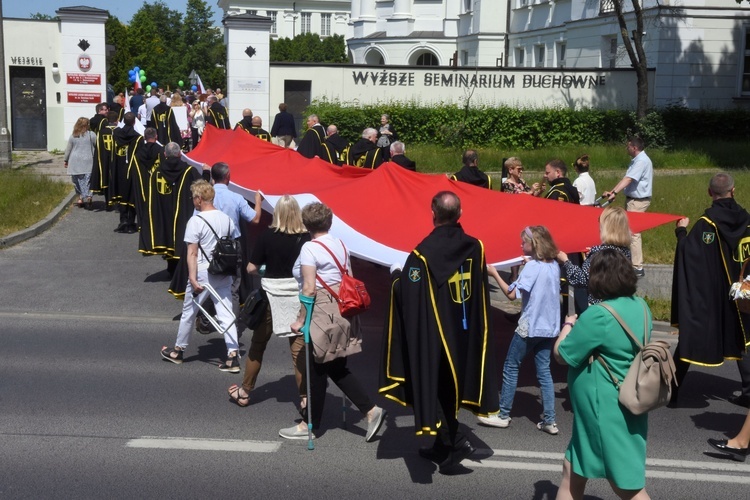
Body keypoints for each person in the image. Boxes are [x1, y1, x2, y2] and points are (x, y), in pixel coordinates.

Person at [380, 191, 499, 473]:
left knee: (434, 387)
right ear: (460, 214)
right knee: (451, 389)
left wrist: (397, 276)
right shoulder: (476, 247)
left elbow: (409, 296)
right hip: (464, 331)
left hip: (434, 335)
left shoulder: (421, 255)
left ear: (433, 214)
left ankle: (450, 446)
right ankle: (444, 444)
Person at [280, 202, 386, 442]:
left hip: (322, 313)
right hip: (343, 310)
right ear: (329, 222)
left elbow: (309, 287)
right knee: (336, 367)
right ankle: (370, 411)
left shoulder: (309, 248)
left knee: (317, 369)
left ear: (307, 225)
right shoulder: (341, 244)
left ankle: (310, 425)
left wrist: (299, 320)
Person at [554, 249, 651, 499]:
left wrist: (567, 325)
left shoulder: (600, 315)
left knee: (626, 486)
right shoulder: (641, 306)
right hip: (624, 400)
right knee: (571, 468)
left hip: (604, 409)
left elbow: (562, 354)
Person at [670, 172, 750, 407]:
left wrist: (681, 231)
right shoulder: (747, 220)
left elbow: (691, 256)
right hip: (741, 293)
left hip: (713, 295)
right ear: (733, 191)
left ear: (709, 192)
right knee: (743, 339)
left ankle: (672, 391)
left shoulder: (706, 225)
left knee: (691, 336)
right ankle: (747, 392)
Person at [227, 195, 311, 408]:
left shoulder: (267, 236)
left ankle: (245, 391)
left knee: (258, 345)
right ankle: (304, 398)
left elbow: (251, 268)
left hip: (270, 297)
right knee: (298, 349)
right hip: (296, 296)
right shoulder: (305, 238)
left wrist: (264, 268)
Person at [478, 226, 561, 435]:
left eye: (523, 242)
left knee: (511, 366)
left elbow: (511, 295)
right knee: (544, 372)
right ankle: (549, 420)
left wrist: (494, 273)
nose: (520, 245)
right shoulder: (553, 266)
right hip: (548, 327)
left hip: (530, 326)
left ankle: (504, 414)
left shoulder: (532, 268)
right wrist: (528, 264)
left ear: (534, 244)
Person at [160, 180, 241, 373]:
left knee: (190, 310)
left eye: (193, 197)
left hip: (204, 271)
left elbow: (193, 253)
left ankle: (178, 350)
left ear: (198, 198)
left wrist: (193, 277)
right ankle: (232, 355)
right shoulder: (226, 219)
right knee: (226, 312)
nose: (193, 201)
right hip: (223, 271)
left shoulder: (196, 221)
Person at [140, 142, 202, 280]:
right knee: (181, 236)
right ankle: (182, 269)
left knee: (168, 234)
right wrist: (208, 172)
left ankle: (172, 268)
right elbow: (202, 186)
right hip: (182, 210)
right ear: (180, 154)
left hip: (163, 210)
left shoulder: (156, 172)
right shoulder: (189, 171)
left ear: (164, 154)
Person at [557, 206, 632, 310]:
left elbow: (582, 280)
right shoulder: (626, 251)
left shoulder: (599, 252)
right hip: (620, 306)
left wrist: (566, 261)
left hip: (599, 306)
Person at [603, 137, 653, 278]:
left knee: (633, 232)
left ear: (634, 147)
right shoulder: (637, 160)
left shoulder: (641, 161)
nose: (627, 149)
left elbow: (629, 179)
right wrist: (613, 192)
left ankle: (637, 266)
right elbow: (627, 179)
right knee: (628, 230)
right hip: (633, 199)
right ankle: (630, 261)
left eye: (628, 147)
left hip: (638, 201)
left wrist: (614, 192)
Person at [111, 112, 142, 233]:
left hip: (118, 169)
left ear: (123, 121)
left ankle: (122, 220)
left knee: (121, 195)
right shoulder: (138, 138)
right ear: (134, 122)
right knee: (131, 196)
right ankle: (130, 222)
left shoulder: (116, 133)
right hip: (131, 170)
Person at [63, 117, 97, 210]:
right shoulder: (92, 135)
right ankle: (89, 196)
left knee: (77, 182)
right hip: (88, 161)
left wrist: (66, 160)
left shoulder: (73, 135)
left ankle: (80, 198)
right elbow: (96, 145)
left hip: (75, 162)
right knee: (88, 181)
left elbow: (68, 149)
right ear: (88, 125)